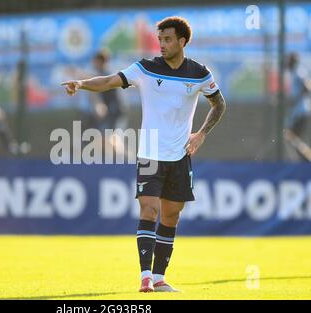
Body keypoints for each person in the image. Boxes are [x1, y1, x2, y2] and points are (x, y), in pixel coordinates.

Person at [61, 16, 226, 292]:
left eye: (168, 39)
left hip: (180, 155)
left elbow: (219, 104)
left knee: (172, 215)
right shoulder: (146, 68)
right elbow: (110, 81)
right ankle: (145, 276)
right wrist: (81, 83)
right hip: (150, 153)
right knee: (149, 209)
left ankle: (160, 278)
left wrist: (201, 133)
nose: (161, 44)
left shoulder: (199, 73)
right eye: (160, 39)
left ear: (182, 41)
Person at [283, 52, 311, 162]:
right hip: (298, 111)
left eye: (288, 60)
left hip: (302, 111)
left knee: (290, 135)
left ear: (292, 61)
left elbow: (309, 85)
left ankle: (310, 158)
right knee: (291, 136)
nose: (286, 63)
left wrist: (296, 100)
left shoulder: (298, 71)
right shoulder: (293, 73)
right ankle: (305, 158)